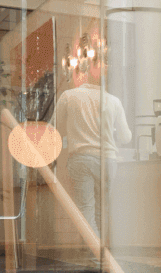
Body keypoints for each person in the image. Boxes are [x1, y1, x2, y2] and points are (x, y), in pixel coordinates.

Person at [53, 45, 132, 237]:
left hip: (81, 159)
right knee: (102, 212)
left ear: (83, 74)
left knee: (85, 210)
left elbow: (52, 129)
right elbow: (126, 137)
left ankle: (96, 258)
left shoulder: (69, 96)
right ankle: (100, 255)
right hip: (108, 161)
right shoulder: (114, 101)